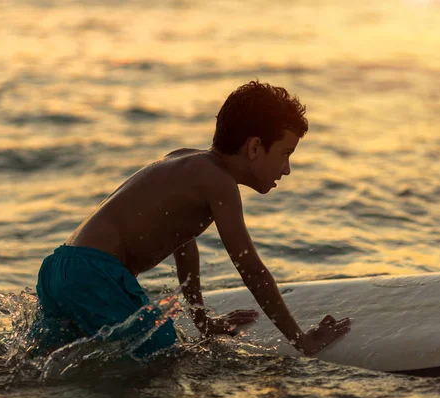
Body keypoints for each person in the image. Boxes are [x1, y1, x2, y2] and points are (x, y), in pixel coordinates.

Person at [34, 80, 351, 359]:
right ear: (255, 147)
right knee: (163, 357)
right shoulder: (219, 182)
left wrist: (201, 320)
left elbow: (182, 241)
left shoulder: (188, 161)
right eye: (286, 153)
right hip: (93, 274)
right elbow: (251, 268)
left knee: (47, 364)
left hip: (60, 270)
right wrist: (301, 340)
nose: (287, 169)